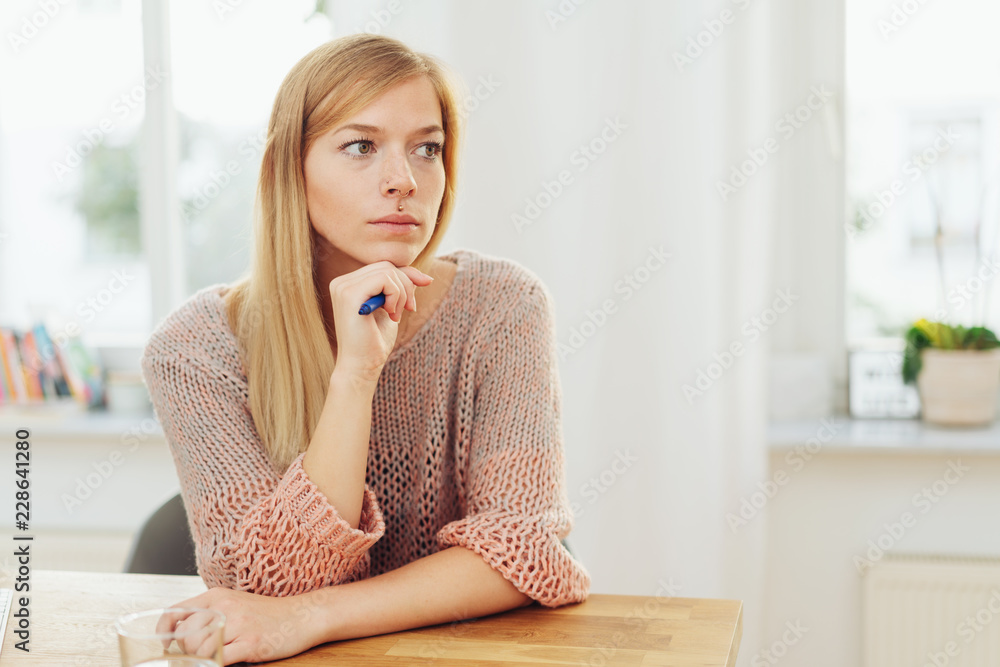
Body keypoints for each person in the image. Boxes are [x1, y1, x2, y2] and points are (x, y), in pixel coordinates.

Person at [139, 33, 590, 664]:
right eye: (360, 146)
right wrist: (354, 375)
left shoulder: (503, 306)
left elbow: (522, 548)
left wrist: (314, 617)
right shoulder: (194, 350)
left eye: (426, 149)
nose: (403, 180)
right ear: (289, 170)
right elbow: (263, 589)